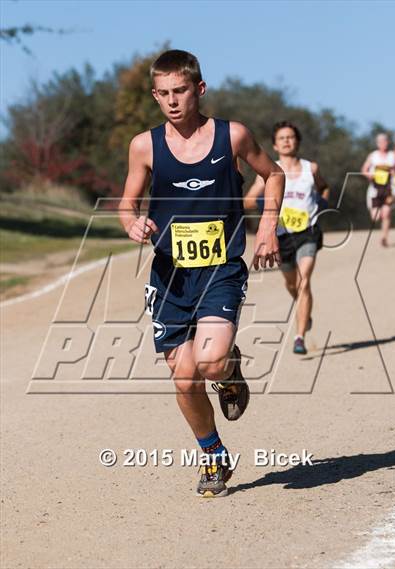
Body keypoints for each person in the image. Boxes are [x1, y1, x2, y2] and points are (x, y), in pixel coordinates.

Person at [118, 50, 284, 497]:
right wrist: (132, 221)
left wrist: (267, 229)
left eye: (181, 91)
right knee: (186, 376)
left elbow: (273, 175)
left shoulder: (232, 136)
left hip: (221, 269)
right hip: (170, 275)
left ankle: (229, 370)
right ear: (155, 95)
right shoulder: (143, 145)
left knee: (210, 362)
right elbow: (126, 201)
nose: (173, 101)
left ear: (199, 89)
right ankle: (213, 455)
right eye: (164, 93)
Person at [245, 121, 329, 355]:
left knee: (304, 282)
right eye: (282, 138)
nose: (286, 141)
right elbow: (249, 201)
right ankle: (305, 311)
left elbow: (324, 188)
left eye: (291, 137)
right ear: (274, 144)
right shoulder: (269, 172)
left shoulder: (310, 168)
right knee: (292, 284)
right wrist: (264, 206)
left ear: (297, 141)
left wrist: (322, 202)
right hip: (281, 236)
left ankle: (299, 337)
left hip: (308, 232)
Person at [361, 133, 395, 247]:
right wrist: (370, 175)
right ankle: (381, 225)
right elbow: (364, 170)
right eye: (380, 142)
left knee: (386, 213)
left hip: (389, 188)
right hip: (375, 189)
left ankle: (384, 237)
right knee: (375, 217)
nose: (383, 143)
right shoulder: (373, 156)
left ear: (388, 142)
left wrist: (394, 173)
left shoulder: (392, 155)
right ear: (377, 143)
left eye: (385, 141)